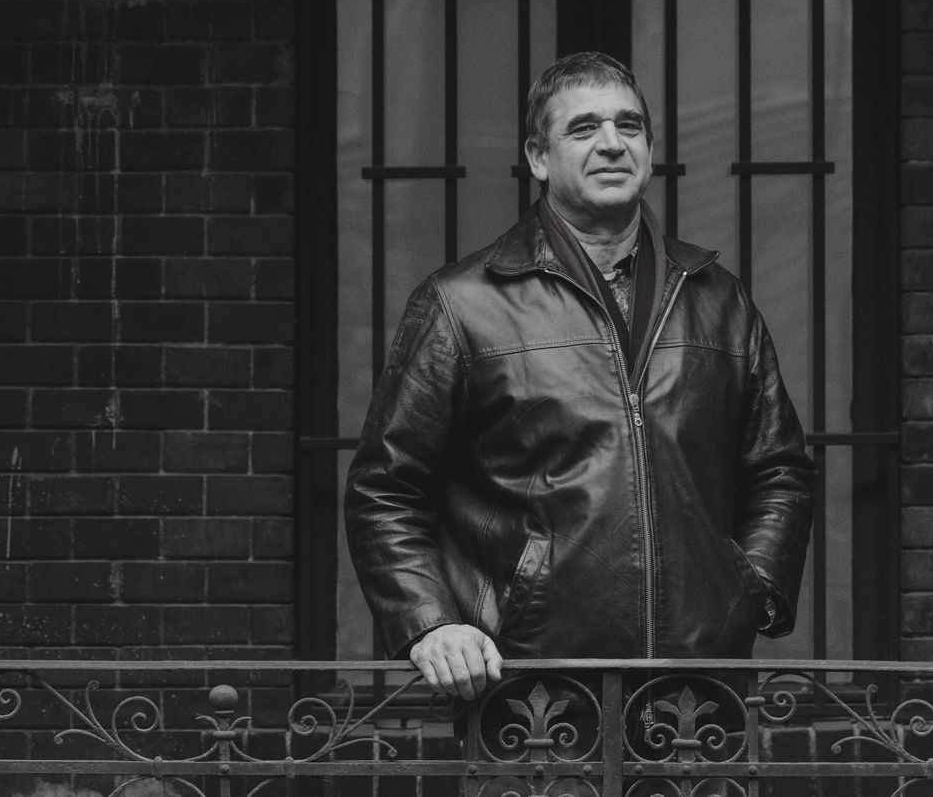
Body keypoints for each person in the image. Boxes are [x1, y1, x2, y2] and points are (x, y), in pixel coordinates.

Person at [343, 51, 816, 702]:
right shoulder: (462, 303)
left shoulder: (718, 299)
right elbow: (386, 488)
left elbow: (779, 468)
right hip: (531, 692)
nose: (612, 144)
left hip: (697, 692)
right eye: (584, 128)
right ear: (539, 158)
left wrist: (747, 588)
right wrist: (432, 623)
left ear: (650, 150)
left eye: (629, 126)